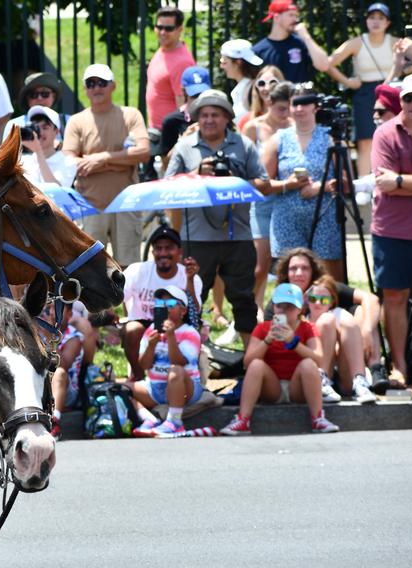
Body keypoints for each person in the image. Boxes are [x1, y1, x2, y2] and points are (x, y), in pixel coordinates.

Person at [164, 89, 269, 345]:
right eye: (204, 115)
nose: (209, 120)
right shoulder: (184, 147)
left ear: (227, 118)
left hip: (238, 235)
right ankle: (188, 357)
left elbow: (263, 183)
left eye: (216, 115)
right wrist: (196, 173)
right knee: (190, 299)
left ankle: (250, 360)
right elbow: (167, 186)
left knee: (244, 299)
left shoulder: (243, 145)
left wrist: (235, 180)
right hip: (197, 237)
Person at [220, 283, 339, 435]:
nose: (283, 311)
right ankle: (243, 420)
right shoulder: (263, 328)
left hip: (298, 388)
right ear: (274, 307)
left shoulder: (307, 328)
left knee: (308, 364)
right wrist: (267, 341)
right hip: (272, 388)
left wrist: (293, 342)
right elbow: (247, 363)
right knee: (256, 364)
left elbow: (319, 360)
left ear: (299, 309)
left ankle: (318, 418)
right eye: (280, 306)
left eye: (289, 307)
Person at [62, 63, 149, 268]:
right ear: (84, 89)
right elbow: (68, 162)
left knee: (130, 268)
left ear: (113, 86)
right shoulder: (76, 121)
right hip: (89, 204)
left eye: (102, 82)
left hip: (126, 204)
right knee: (90, 267)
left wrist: (100, 159)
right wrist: (122, 162)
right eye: (91, 83)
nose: (96, 88)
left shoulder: (131, 115)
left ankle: (130, 303)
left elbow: (143, 152)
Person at [271, 247, 387, 394]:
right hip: (303, 367)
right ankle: (327, 380)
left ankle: (372, 369)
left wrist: (366, 330)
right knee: (327, 321)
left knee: (357, 313)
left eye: (305, 268)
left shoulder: (324, 288)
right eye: (293, 268)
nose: (299, 273)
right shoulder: (280, 299)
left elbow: (370, 299)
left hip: (342, 364)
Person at [370, 73, 412, 384]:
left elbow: (393, 182)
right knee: (394, 297)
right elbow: (383, 183)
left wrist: (401, 180)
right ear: (400, 100)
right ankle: (400, 366)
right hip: (392, 227)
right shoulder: (384, 133)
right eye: (408, 98)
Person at [262, 84, 343, 280]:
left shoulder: (330, 138)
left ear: (315, 106)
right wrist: (287, 185)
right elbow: (261, 184)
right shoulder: (278, 139)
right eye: (294, 104)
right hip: (287, 220)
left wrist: (319, 187)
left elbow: (345, 181)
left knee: (328, 279)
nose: (299, 109)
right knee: (291, 277)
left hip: (325, 217)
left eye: (305, 103)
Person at [121, 226, 202, 382]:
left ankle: (181, 380)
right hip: (144, 324)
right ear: (152, 253)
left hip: (177, 325)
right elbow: (117, 296)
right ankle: (138, 377)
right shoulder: (137, 271)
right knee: (131, 330)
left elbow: (194, 311)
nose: (163, 253)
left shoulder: (190, 275)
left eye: (169, 248)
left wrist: (190, 280)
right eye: (158, 248)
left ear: (180, 252)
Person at [326, 3, 396, 177]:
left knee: (394, 138)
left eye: (381, 18)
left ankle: (390, 178)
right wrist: (348, 82)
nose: (376, 22)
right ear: (366, 21)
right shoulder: (357, 42)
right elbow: (329, 63)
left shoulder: (395, 42)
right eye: (372, 17)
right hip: (365, 92)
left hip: (389, 92)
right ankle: (365, 184)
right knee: (365, 140)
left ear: (387, 22)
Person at [243, 81, 294, 316]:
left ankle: (283, 310)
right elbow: (246, 168)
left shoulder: (295, 127)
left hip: (288, 201)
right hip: (262, 202)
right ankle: (252, 312)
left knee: (286, 264)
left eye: (290, 108)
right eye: (282, 108)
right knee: (259, 266)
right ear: (269, 103)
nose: (287, 114)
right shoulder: (254, 127)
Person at [130, 285, 203, 438]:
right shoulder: (151, 330)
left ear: (183, 311)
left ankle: (175, 422)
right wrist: (151, 345)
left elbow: (180, 362)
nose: (165, 309)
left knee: (175, 370)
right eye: (161, 305)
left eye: (170, 305)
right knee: (122, 389)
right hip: (155, 388)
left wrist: (171, 337)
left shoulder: (190, 333)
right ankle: (149, 419)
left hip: (185, 388)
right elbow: (144, 366)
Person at [305, 275, 377, 403]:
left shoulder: (337, 314)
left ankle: (359, 381)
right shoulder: (301, 319)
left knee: (336, 320)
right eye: (313, 298)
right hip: (312, 374)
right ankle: (322, 382)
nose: (317, 303)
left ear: (332, 302)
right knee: (326, 322)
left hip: (343, 376)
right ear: (307, 300)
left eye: (324, 300)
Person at [252, 1, 329, 84]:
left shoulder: (301, 43)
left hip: (299, 96)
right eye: (291, 15)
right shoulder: (259, 50)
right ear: (276, 17)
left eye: (296, 16)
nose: (295, 19)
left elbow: (324, 65)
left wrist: (306, 37)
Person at [145, 5, 196, 129]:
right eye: (159, 27)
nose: (162, 32)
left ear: (179, 29)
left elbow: (183, 107)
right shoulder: (164, 49)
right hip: (156, 129)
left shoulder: (182, 62)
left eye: (168, 28)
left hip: (169, 134)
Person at [154, 66, 212, 162]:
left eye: (203, 95)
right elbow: (166, 165)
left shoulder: (218, 119)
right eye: (195, 95)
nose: (199, 101)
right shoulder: (172, 122)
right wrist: (183, 141)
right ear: (184, 92)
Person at [44, 301, 84, 439]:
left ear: (69, 314)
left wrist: (51, 338)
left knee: (59, 373)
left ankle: (54, 421)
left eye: (59, 309)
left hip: (67, 391)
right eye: (51, 308)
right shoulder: (40, 331)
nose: (53, 313)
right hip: (44, 384)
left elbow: (63, 365)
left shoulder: (75, 338)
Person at [18, 105, 77, 188]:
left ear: (56, 132)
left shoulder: (68, 162)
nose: (39, 132)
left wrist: (38, 152)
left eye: (45, 127)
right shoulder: (23, 160)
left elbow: (57, 191)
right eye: (36, 128)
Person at [3, 72, 71, 142]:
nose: (39, 98)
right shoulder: (14, 126)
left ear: (53, 96)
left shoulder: (69, 122)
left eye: (45, 94)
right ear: (27, 98)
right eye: (33, 94)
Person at [219, 39, 264, 123]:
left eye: (224, 62)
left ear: (238, 63)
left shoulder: (252, 90)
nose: (221, 66)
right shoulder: (245, 87)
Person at [238, 64, 285, 130]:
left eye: (272, 82)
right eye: (261, 83)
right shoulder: (246, 121)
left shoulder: (292, 118)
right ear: (256, 88)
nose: (267, 88)